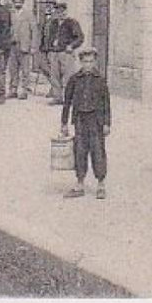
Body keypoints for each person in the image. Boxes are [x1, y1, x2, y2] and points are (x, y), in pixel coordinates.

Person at [61, 48, 111, 200]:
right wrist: (64, 123)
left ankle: (101, 184)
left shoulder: (100, 80)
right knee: (80, 151)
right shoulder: (74, 80)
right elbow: (67, 102)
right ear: (80, 62)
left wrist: (107, 123)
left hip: (96, 121)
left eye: (91, 61)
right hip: (80, 121)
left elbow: (106, 103)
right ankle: (80, 183)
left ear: (94, 62)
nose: (88, 65)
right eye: (85, 61)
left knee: (98, 151)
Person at [40, 0, 84, 104]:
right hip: (54, 52)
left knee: (68, 76)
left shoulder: (72, 23)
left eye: (62, 11)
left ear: (66, 11)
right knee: (54, 76)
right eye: (58, 11)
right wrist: (48, 49)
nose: (60, 13)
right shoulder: (53, 23)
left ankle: (68, 97)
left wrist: (72, 46)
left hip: (66, 53)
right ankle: (57, 97)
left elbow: (80, 37)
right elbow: (48, 36)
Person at [9, 0, 37, 100]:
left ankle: (24, 90)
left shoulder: (29, 14)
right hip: (13, 45)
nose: (17, 3)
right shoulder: (11, 14)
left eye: (20, 1)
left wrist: (33, 46)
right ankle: (13, 89)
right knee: (13, 69)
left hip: (25, 45)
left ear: (23, 2)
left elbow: (34, 31)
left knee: (25, 69)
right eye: (15, 1)